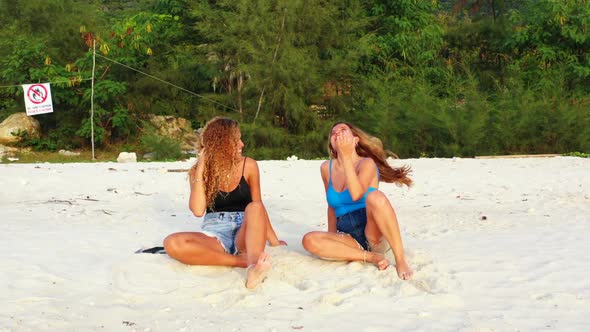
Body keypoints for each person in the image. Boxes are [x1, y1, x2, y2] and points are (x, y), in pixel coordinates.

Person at [164, 117, 285, 289]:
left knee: (255, 206)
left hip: (246, 230)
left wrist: (274, 241)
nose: (242, 144)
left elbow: (259, 207)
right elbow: (198, 211)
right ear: (221, 144)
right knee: (172, 243)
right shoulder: (198, 173)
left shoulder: (248, 165)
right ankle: (240, 262)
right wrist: (201, 167)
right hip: (216, 232)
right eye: (236, 141)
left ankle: (253, 268)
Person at [302, 122, 414, 280]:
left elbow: (356, 194)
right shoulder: (326, 168)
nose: (337, 134)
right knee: (309, 240)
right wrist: (331, 237)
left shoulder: (367, 163)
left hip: (372, 228)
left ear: (355, 140)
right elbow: (331, 205)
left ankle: (400, 259)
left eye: (343, 130)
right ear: (332, 144)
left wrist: (346, 156)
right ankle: (370, 257)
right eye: (333, 133)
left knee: (376, 196)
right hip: (348, 235)